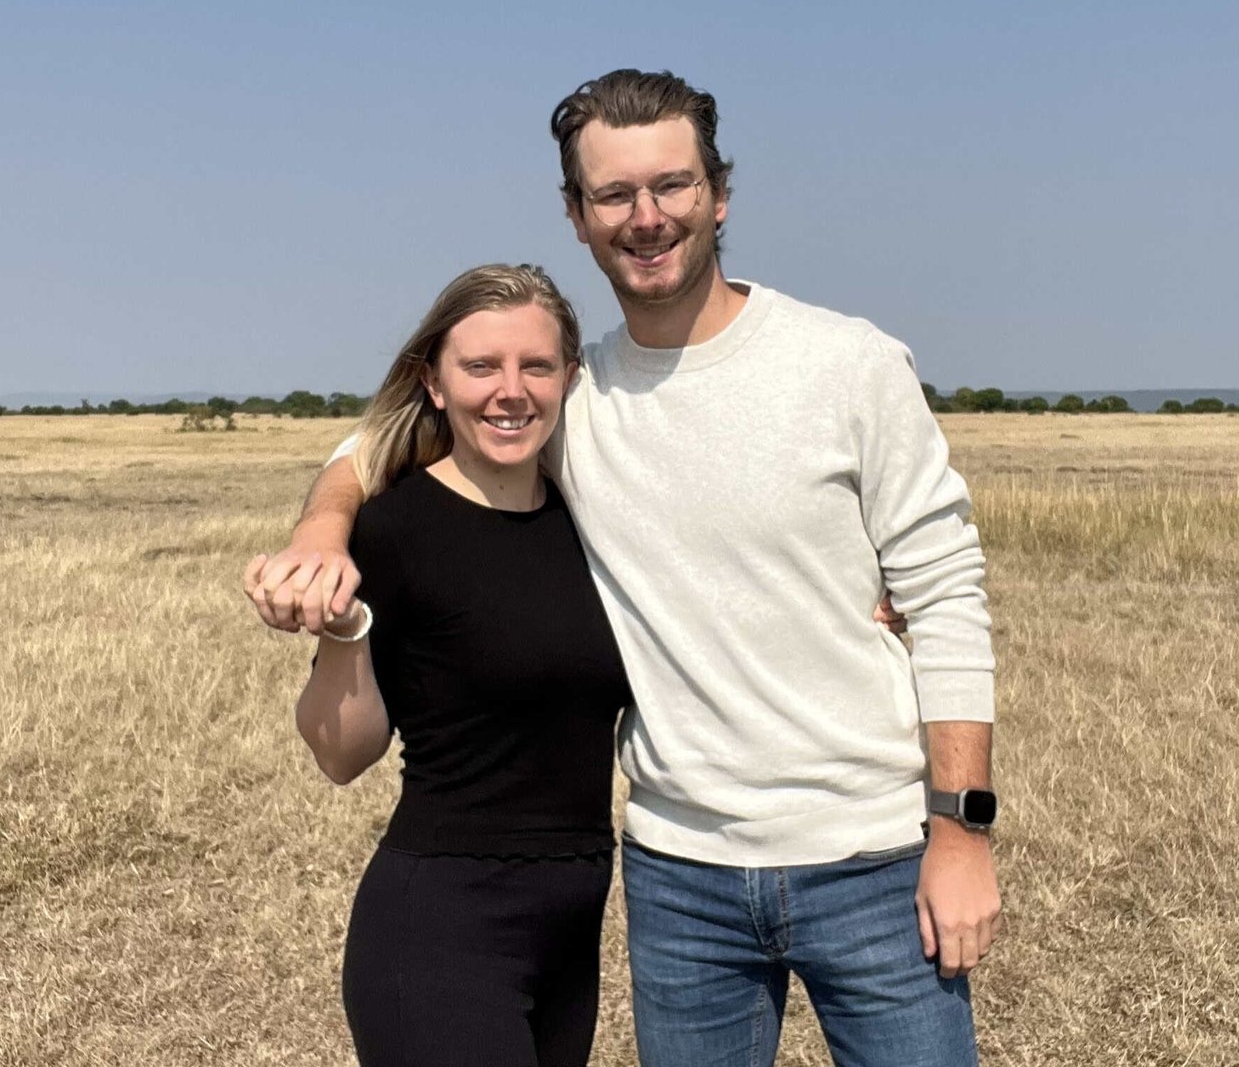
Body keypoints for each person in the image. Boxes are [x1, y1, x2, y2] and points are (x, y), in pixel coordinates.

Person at [250, 70, 1001, 1067]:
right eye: (613, 195)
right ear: (577, 216)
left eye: (672, 186)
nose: (646, 218)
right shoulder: (574, 395)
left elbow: (945, 592)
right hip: (676, 876)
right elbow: (379, 439)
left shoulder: (846, 366)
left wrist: (961, 831)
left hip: (868, 859)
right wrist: (322, 529)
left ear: (719, 195)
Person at [284, 263, 632, 1067]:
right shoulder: (395, 529)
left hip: (574, 929)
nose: (510, 390)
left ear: (569, 378)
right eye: (480, 366)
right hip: (441, 923)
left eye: (535, 366)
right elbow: (341, 753)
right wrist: (343, 628)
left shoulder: (591, 521)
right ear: (434, 383)